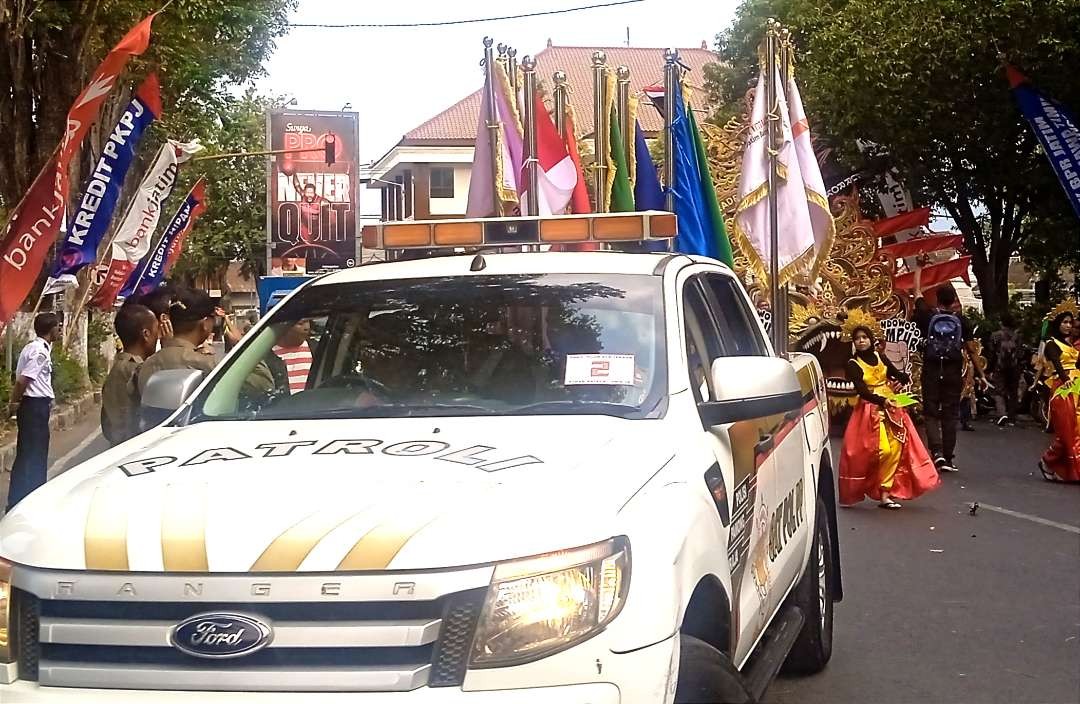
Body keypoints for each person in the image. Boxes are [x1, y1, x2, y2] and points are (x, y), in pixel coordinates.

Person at [137, 288, 275, 426]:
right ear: (205, 324)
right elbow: (264, 384)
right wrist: (243, 345)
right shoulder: (206, 364)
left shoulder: (146, 365)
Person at [839, 322, 940, 509]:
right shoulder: (852, 364)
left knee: (896, 449)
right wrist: (882, 400)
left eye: (864, 338)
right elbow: (862, 391)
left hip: (892, 409)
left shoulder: (880, 357)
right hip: (870, 412)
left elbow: (899, 374)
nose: (861, 341)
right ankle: (866, 485)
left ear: (870, 339)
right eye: (857, 339)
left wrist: (900, 383)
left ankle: (886, 494)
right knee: (880, 450)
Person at [912, 269, 986, 472]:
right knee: (950, 414)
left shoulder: (927, 316)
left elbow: (916, 291)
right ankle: (948, 457)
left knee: (931, 412)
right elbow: (971, 350)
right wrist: (981, 375)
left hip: (932, 368)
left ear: (937, 299)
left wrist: (919, 267)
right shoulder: (962, 321)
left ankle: (936, 453)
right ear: (953, 300)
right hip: (953, 371)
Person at [5, 313, 61, 512]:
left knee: (27, 454)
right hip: (33, 407)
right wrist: (14, 402)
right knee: (35, 456)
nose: (60, 330)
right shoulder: (39, 352)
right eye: (58, 326)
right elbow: (23, 380)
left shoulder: (34, 347)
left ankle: (17, 500)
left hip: (35, 406)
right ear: (50, 329)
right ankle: (32, 502)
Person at [100, 304, 159, 446]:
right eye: (157, 330)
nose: (159, 336)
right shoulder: (135, 370)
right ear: (146, 334)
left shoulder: (120, 365)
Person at [1039, 305, 1080, 483]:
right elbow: (1057, 364)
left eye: (1071, 322)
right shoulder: (1052, 344)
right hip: (1063, 389)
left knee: (1076, 430)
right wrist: (1065, 380)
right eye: (1065, 322)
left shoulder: (1073, 344)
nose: (1068, 326)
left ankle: (1059, 465)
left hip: (1077, 386)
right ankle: (1048, 460)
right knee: (1066, 431)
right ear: (1057, 324)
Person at [988, 312, 1023, 426]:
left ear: (1001, 322)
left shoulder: (995, 335)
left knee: (999, 390)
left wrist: (989, 368)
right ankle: (1012, 417)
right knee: (1013, 392)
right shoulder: (1017, 336)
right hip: (1014, 367)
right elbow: (1020, 353)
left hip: (1000, 366)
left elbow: (992, 352)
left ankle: (1002, 413)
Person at [271, 319, 313, 394]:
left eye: (307, 322)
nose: (307, 327)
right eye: (300, 323)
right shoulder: (267, 356)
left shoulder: (317, 350)